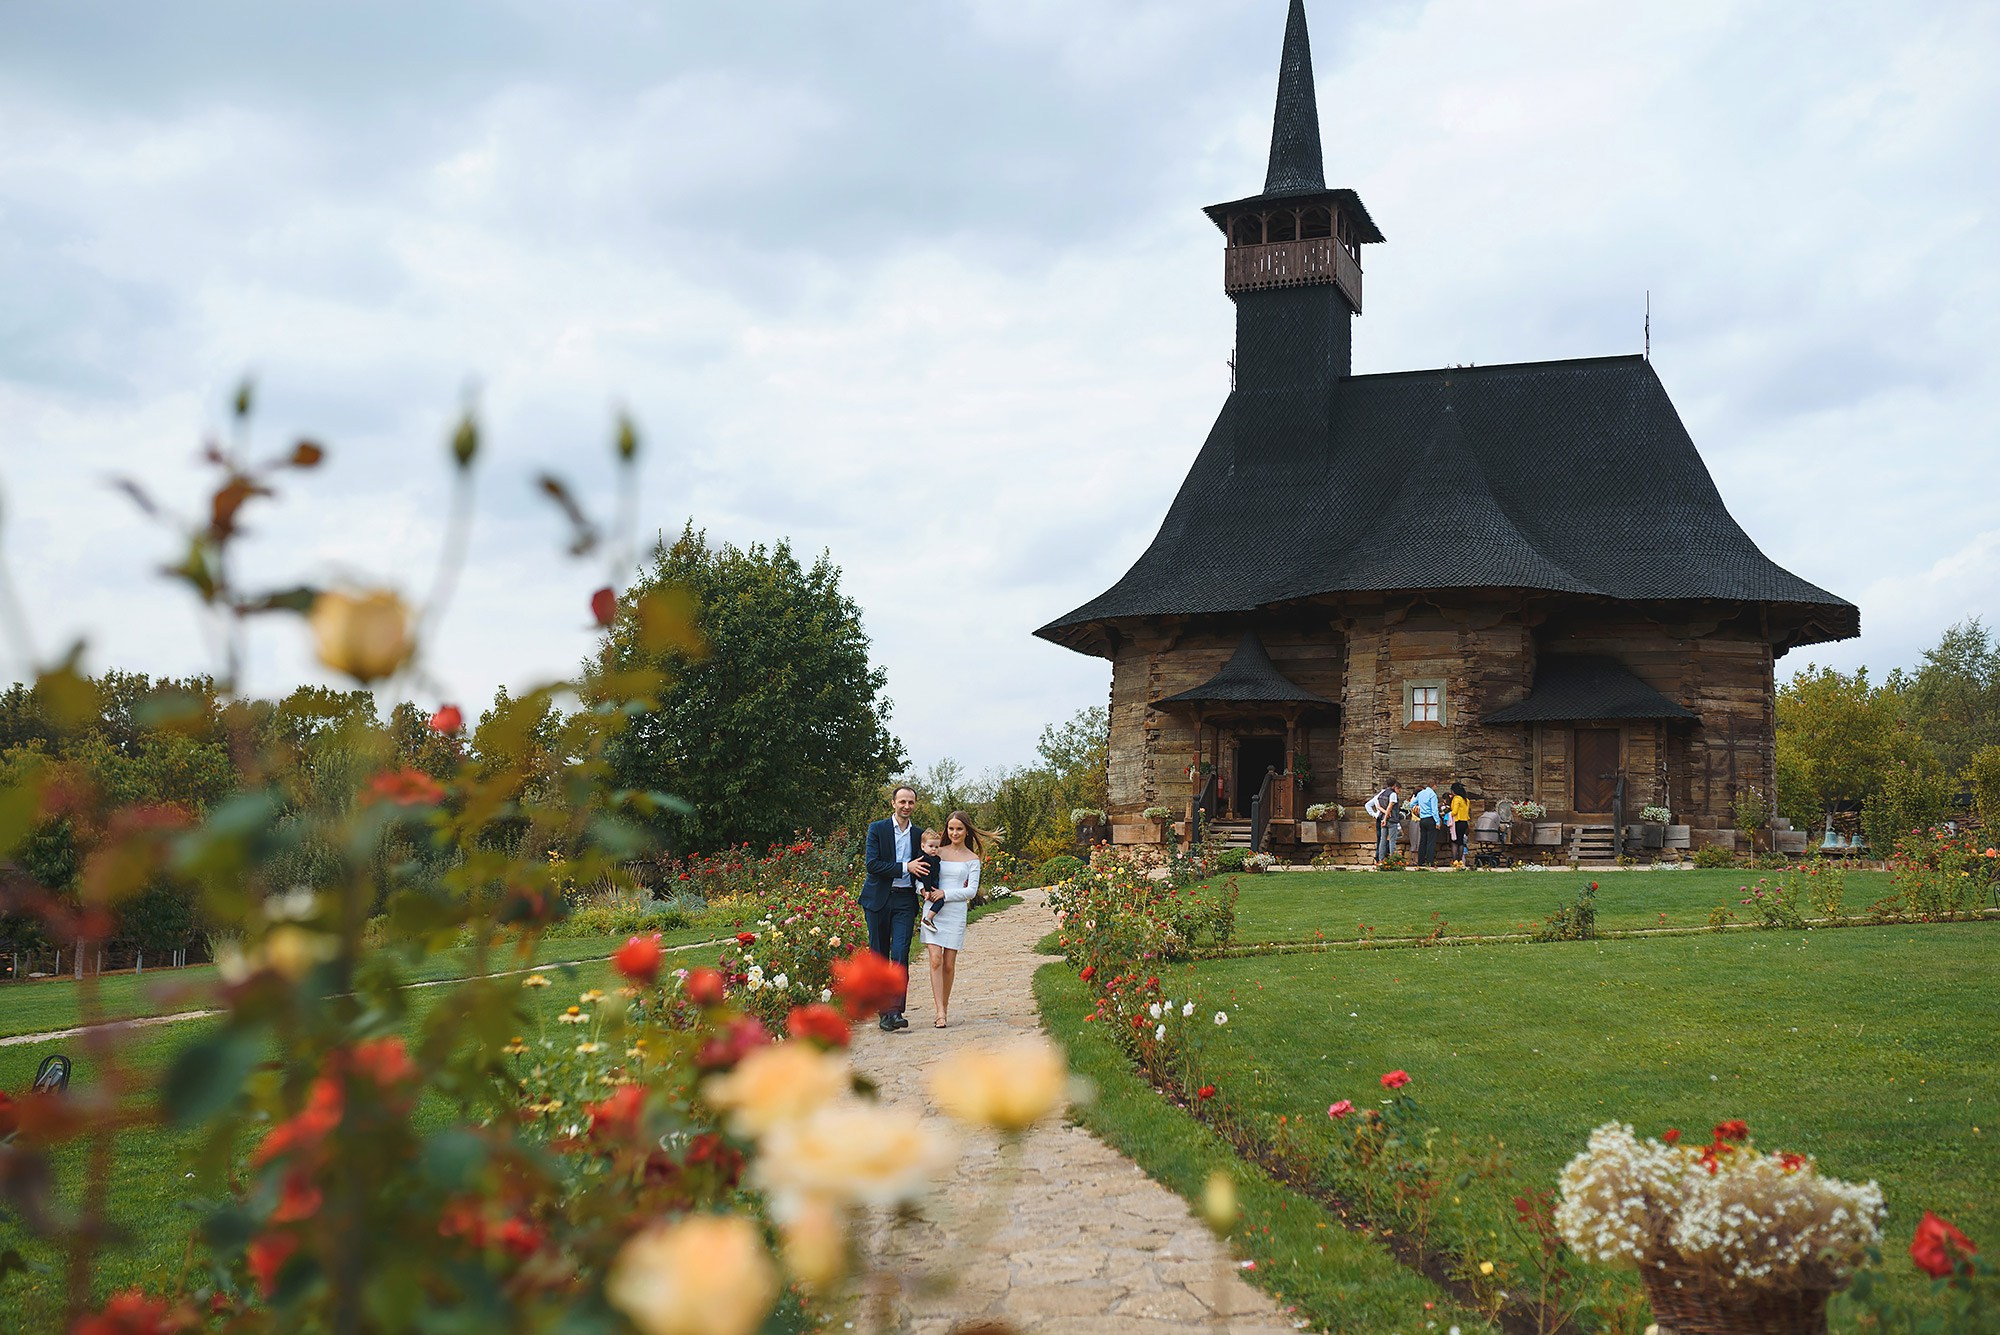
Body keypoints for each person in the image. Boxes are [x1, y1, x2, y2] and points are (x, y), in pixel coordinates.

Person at [861, 785, 931, 1032]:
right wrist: (905, 867)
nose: (906, 806)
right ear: (893, 803)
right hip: (878, 900)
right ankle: (884, 1013)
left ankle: (895, 1011)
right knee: (879, 957)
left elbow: (928, 865)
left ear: (915, 804)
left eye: (911, 802)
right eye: (902, 801)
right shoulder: (877, 829)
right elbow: (872, 864)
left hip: (904, 901)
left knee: (900, 954)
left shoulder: (919, 835)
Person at [919, 810, 985, 1029]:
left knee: (948, 963)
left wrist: (946, 894)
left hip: (955, 912)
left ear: (966, 831)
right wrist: (923, 891)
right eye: (951, 828)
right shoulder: (937, 852)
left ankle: (944, 1005)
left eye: (959, 829)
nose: (954, 833)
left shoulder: (972, 859)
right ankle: (939, 1011)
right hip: (933, 911)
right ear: (946, 830)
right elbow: (920, 875)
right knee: (935, 959)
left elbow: (972, 891)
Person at [1365, 779, 1401, 865]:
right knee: (1392, 840)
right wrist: (1386, 816)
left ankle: (1381, 859)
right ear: (1394, 786)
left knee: (1382, 840)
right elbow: (1389, 807)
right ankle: (1393, 860)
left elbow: (1378, 807)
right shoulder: (1392, 794)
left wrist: (1383, 815)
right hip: (1391, 819)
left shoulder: (1381, 794)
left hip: (1382, 818)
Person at [917, 828, 944, 929]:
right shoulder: (925, 859)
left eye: (936, 847)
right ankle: (927, 919)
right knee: (940, 901)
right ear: (923, 846)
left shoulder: (934, 858)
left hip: (932, 884)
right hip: (928, 885)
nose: (934, 849)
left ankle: (926, 919)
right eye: (931, 846)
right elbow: (926, 875)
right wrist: (927, 889)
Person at [1411, 780, 1440, 867]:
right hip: (1431, 819)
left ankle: (1421, 861)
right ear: (1434, 786)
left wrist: (1417, 810)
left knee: (1423, 841)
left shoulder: (1421, 793)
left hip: (1422, 819)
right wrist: (1437, 822)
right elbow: (1434, 810)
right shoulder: (1432, 795)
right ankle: (1429, 861)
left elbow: (1412, 804)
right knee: (1431, 841)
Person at [1449, 782, 1471, 864]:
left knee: (1454, 841)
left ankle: (1455, 860)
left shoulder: (1456, 799)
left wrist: (1447, 815)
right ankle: (1460, 860)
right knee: (1461, 841)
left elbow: (1454, 811)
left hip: (1457, 822)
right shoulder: (1466, 800)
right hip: (1464, 822)